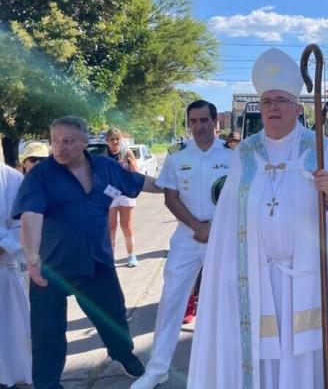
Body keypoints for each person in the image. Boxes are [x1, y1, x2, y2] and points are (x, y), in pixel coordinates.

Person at [187, 48, 328, 389]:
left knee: (306, 354)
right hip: (257, 277)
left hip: (306, 277)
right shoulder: (245, 153)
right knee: (261, 355)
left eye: (281, 100)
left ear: (298, 108)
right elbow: (229, 220)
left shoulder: (318, 147)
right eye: (267, 102)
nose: (273, 108)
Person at [12, 116, 163, 389]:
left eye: (68, 141)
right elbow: (31, 216)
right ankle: (47, 384)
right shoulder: (40, 175)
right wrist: (32, 259)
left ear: (84, 142)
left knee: (114, 316)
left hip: (97, 262)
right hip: (51, 267)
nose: (60, 147)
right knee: (47, 333)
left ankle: (122, 355)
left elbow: (140, 182)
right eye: (55, 141)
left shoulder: (105, 167)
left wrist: (177, 188)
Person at [131, 100, 233, 389]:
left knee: (227, 301)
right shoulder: (177, 157)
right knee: (172, 300)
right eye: (193, 121)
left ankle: (227, 366)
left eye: (204, 120)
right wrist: (197, 227)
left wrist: (214, 228)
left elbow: (240, 196)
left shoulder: (233, 155)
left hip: (222, 235)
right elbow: (170, 197)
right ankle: (157, 369)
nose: (198, 126)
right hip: (188, 237)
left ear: (216, 122)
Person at [1, 163, 31, 388]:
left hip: (3, 268)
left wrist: (3, 246)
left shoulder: (11, 179)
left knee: (10, 335)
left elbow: (25, 225)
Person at [105, 128, 140, 268]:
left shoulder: (127, 153)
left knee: (127, 226)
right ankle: (110, 258)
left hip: (126, 194)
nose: (115, 142)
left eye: (117, 139)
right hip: (109, 193)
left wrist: (130, 163)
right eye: (112, 139)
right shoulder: (103, 155)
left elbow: (135, 173)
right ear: (107, 141)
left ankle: (131, 256)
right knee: (111, 227)